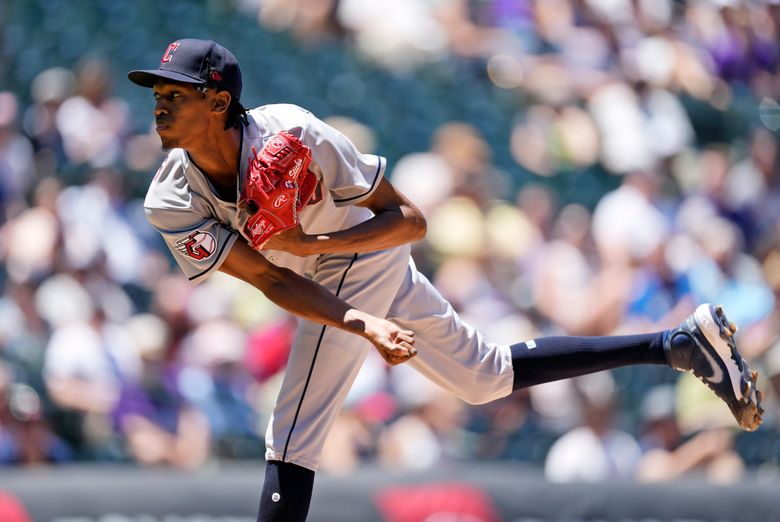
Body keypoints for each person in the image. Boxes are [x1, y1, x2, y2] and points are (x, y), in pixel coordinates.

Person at [128, 39, 763, 522]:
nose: (159, 102)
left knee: (292, 432)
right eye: (157, 91)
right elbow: (269, 279)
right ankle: (674, 345)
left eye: (175, 93)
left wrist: (316, 247)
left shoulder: (296, 133)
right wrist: (360, 319)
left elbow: (408, 221)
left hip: (359, 252)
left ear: (217, 101)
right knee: (486, 379)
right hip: (314, 278)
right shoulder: (169, 198)